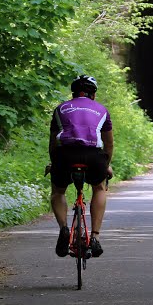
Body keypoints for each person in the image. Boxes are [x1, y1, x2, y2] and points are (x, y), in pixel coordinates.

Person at [48, 74, 113, 258]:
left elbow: (53, 143)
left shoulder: (60, 109)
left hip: (65, 154)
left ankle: (63, 228)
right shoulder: (102, 110)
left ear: (73, 93)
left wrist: (54, 163)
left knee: (58, 192)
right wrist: (106, 165)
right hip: (93, 155)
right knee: (99, 188)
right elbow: (109, 145)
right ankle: (95, 237)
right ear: (93, 94)